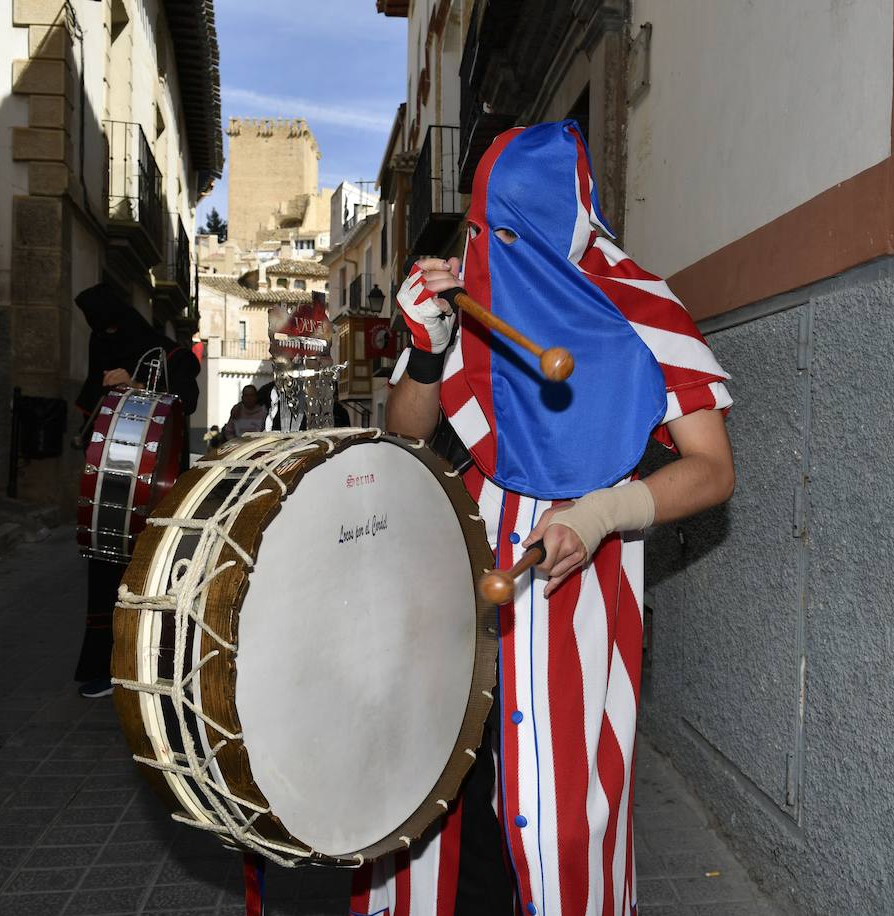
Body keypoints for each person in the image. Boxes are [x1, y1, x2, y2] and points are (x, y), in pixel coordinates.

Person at [348, 121, 736, 916]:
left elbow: (712, 469)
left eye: (509, 230)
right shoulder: (475, 299)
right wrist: (427, 347)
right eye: (486, 229)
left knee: (563, 818)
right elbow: (407, 430)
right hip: (461, 577)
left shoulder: (639, 307)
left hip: (582, 592)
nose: (491, 248)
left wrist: (600, 515)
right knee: (448, 806)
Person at [73, 282, 200, 699]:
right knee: (106, 570)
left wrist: (140, 384)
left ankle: (158, 665)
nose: (105, 341)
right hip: (111, 489)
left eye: (111, 331)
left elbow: (185, 400)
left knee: (154, 569)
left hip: (157, 486)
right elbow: (90, 417)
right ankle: (104, 665)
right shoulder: (103, 354)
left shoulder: (169, 355)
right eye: (99, 334)